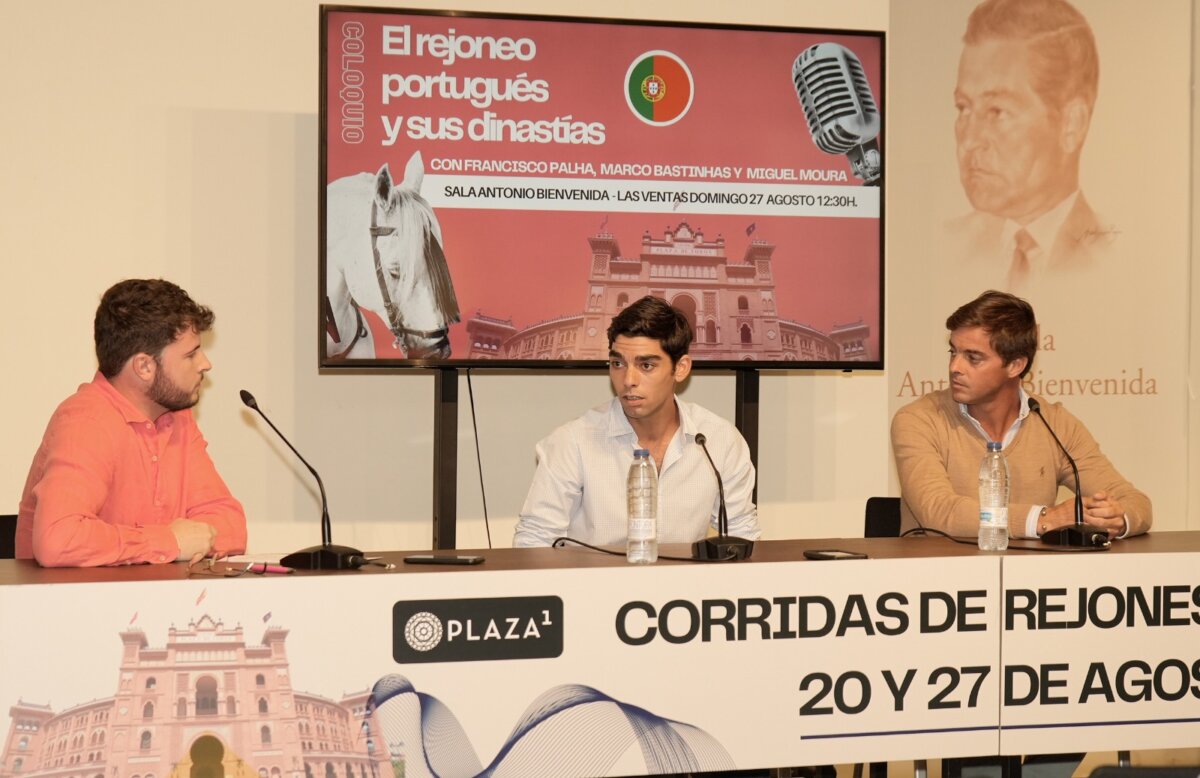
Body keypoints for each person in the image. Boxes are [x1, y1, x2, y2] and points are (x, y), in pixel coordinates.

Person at [16, 279, 247, 567]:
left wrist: (183, 541)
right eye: (190, 354)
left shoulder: (177, 418)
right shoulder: (86, 422)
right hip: (78, 608)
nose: (205, 364)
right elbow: (58, 540)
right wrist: (169, 541)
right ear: (144, 366)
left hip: (151, 604)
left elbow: (231, 525)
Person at [891, 290, 1151, 540]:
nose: (955, 367)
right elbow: (937, 511)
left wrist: (1117, 518)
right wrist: (1043, 519)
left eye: (973, 358)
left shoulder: (1054, 423)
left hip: (1032, 581)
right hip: (939, 579)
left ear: (1016, 365)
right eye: (953, 352)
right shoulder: (918, 420)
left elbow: (1135, 502)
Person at [513, 296, 761, 548]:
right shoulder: (572, 441)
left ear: (681, 368)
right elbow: (535, 540)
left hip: (687, 586)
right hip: (595, 586)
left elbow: (741, 534)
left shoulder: (718, 440)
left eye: (646, 365)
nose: (628, 379)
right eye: (618, 363)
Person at [948, 0, 1114, 288]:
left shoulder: (1111, 258)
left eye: (997, 111)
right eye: (963, 108)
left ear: (1071, 124)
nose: (970, 140)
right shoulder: (945, 246)